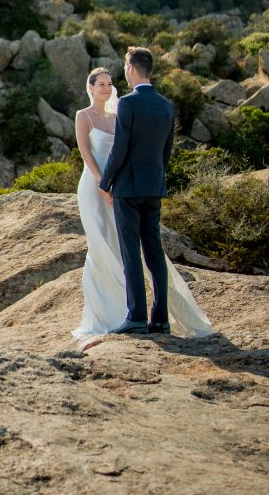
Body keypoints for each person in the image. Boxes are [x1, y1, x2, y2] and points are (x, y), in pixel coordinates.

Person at [72, 59, 213, 342]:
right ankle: (160, 319)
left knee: (130, 253)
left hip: (126, 188)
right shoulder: (166, 105)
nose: (118, 77)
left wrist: (107, 181)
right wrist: (155, 179)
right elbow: (166, 151)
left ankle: (136, 317)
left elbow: (121, 148)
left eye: (124, 67)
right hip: (153, 187)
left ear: (132, 70)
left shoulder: (126, 104)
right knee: (154, 251)